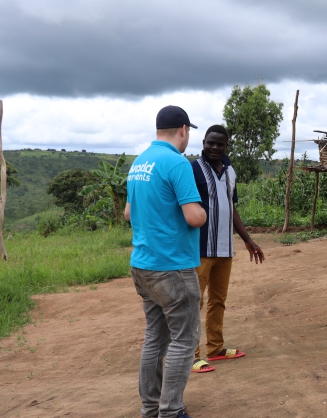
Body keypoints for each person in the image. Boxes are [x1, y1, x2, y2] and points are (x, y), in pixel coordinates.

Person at [125, 105, 206, 418]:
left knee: (155, 338)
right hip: (172, 267)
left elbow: (129, 213)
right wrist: (204, 212)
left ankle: (150, 408)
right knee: (185, 339)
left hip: (142, 265)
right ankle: (171, 411)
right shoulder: (177, 163)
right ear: (184, 130)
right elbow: (193, 216)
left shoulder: (139, 162)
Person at [189, 125, 265, 373]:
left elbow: (233, 209)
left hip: (224, 249)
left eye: (220, 144)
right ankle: (190, 355)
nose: (214, 147)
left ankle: (215, 348)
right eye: (211, 143)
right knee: (193, 303)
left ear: (226, 146)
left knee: (218, 300)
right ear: (203, 142)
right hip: (199, 248)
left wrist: (247, 239)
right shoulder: (192, 169)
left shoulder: (230, 171)